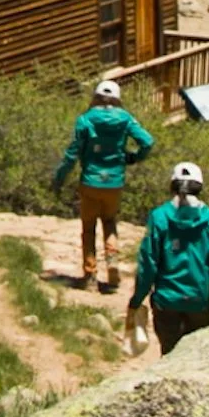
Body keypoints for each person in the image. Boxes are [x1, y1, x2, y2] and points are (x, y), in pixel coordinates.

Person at [52, 78, 154, 291]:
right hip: (114, 181)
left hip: (90, 181)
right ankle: (113, 262)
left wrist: (59, 179)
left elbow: (71, 155)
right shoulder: (125, 119)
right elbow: (148, 142)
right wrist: (133, 158)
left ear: (95, 97)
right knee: (109, 221)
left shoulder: (85, 120)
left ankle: (90, 275)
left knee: (88, 228)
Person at [127, 161, 209, 354]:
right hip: (198, 301)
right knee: (195, 357)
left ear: (172, 186)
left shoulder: (160, 216)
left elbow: (148, 264)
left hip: (166, 301)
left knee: (169, 354)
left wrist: (137, 299)